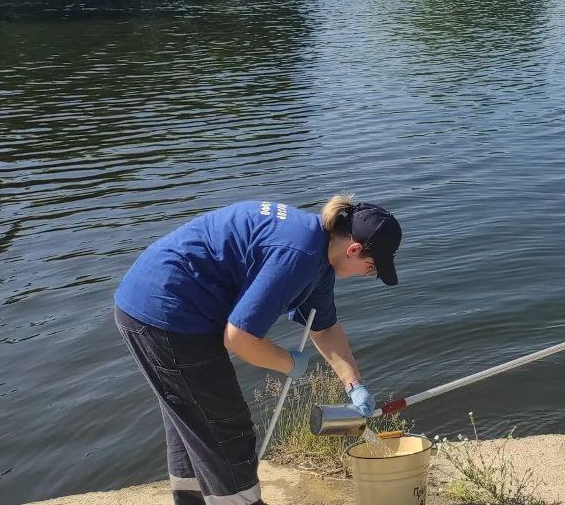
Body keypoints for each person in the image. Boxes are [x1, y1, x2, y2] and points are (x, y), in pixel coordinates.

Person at [114, 195, 401, 505]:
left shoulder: (318, 251)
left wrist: (354, 385)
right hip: (166, 313)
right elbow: (240, 339)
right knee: (228, 431)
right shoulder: (299, 255)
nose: (366, 274)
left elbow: (325, 327)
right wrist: (287, 363)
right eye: (370, 268)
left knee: (194, 423)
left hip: (153, 301)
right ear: (354, 250)